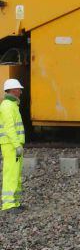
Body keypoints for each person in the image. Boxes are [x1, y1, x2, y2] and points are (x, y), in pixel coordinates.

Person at [0, 78, 25, 213]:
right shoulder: (8, 106)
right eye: (19, 89)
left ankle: (15, 202)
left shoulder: (11, 105)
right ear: (13, 90)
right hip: (11, 146)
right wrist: (16, 145)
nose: (20, 92)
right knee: (11, 173)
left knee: (15, 174)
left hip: (13, 145)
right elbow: (10, 128)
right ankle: (9, 205)